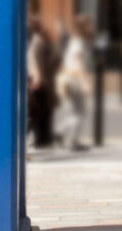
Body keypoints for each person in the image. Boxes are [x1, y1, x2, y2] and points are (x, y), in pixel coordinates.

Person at [55, 13, 92, 151]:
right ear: (83, 26)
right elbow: (78, 64)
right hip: (74, 80)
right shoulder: (78, 42)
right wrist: (84, 83)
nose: (91, 27)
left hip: (67, 79)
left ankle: (62, 133)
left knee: (75, 111)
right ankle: (68, 139)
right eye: (89, 24)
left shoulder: (74, 41)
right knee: (79, 112)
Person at [26, 17, 57, 148]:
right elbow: (35, 62)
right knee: (37, 111)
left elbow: (36, 62)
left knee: (40, 110)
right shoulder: (37, 41)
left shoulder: (35, 41)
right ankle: (40, 138)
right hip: (40, 80)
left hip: (41, 80)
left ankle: (42, 138)